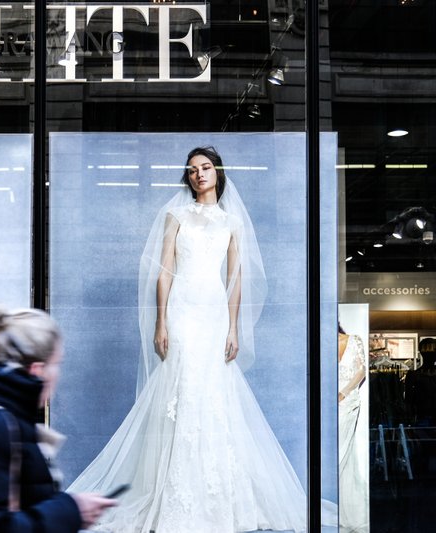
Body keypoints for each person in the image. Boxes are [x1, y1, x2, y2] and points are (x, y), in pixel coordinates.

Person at [68, 146, 311, 532]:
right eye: (193, 169)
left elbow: (236, 282)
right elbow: (163, 272)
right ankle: (172, 491)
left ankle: (216, 497)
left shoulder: (232, 222)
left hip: (213, 312)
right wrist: (160, 322)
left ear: (218, 173)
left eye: (206, 167)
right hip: (182, 310)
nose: (199, 174)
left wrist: (233, 327)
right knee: (181, 389)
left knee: (214, 392)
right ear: (188, 177)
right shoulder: (175, 215)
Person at [0, 307, 116, 532]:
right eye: (57, 364)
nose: (59, 374)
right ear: (37, 370)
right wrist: (71, 511)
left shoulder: (2, 419)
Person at [337, 323, 368, 532]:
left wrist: (344, 393)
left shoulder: (353, 339)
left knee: (342, 449)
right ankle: (341, 506)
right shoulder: (322, 344)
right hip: (326, 402)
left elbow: (361, 371)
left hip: (347, 402)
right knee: (343, 456)